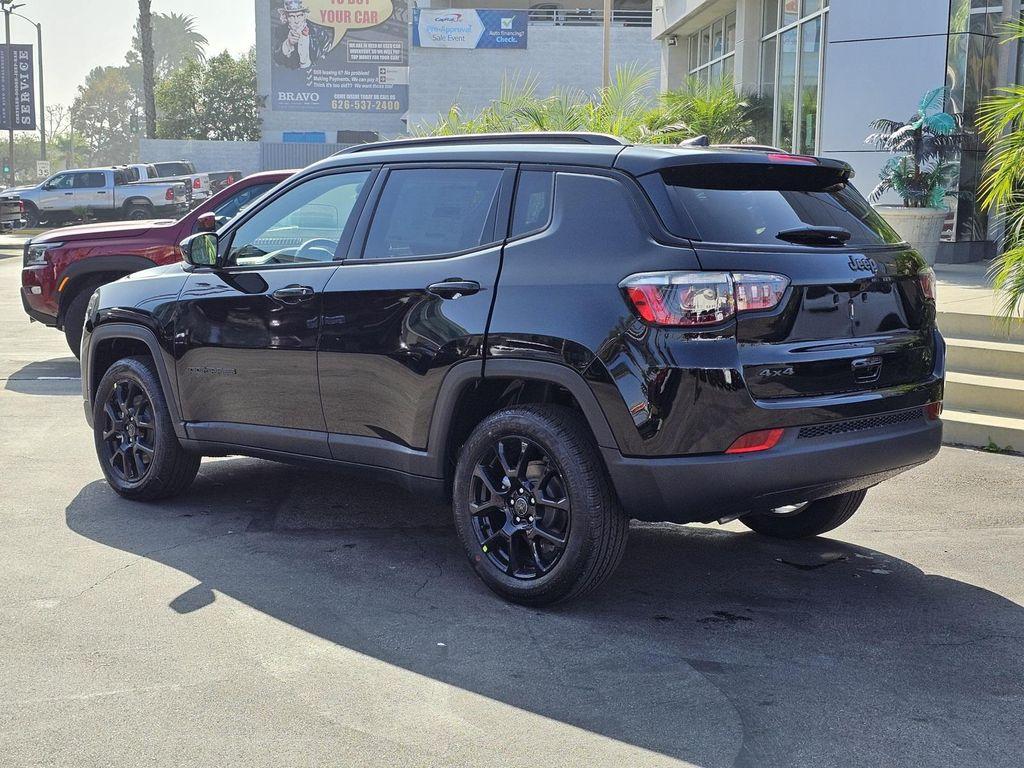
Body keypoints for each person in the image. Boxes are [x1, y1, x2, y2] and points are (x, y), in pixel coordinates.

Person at [273, 0, 334, 70]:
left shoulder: (320, 34)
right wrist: (288, 43)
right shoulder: (279, 32)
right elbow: (275, 60)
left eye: (299, 16)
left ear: (305, 15)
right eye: (292, 16)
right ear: (286, 18)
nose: (296, 21)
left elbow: (325, 61)